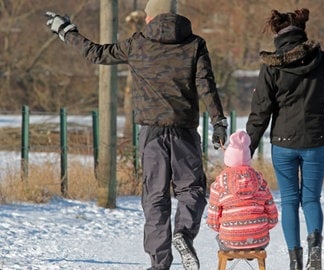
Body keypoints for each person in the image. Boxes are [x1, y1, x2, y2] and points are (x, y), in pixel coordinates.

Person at [45, 0, 228, 269]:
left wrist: (66, 31)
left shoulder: (138, 43)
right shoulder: (194, 44)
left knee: (155, 196)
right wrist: (218, 121)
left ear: (150, 17)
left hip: (151, 134)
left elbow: (96, 53)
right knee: (192, 190)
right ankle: (184, 234)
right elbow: (206, 85)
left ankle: (159, 263)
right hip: (185, 132)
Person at [246, 8, 324, 270]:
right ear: (302, 31)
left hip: (283, 142)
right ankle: (315, 253)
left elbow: (261, 109)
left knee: (290, 202)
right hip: (317, 140)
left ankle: (295, 261)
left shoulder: (271, 65)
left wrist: (246, 147)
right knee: (311, 200)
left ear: (278, 34)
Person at [206, 130, 278, 251]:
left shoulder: (219, 185)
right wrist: (257, 229)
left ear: (228, 160)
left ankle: (232, 250)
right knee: (256, 239)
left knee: (221, 239)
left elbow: (213, 221)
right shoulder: (261, 183)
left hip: (230, 240)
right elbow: (273, 217)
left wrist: (230, 230)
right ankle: (250, 247)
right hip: (259, 240)